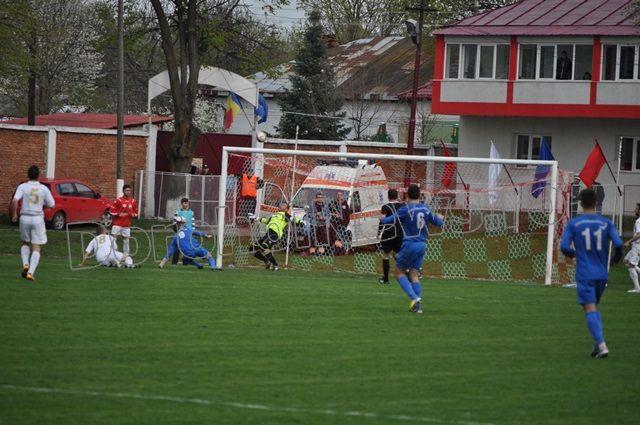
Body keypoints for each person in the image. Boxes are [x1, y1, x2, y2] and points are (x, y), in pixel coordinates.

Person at [560, 188, 623, 358]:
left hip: (585, 273)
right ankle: (597, 344)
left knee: (589, 307)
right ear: (596, 203)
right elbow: (618, 244)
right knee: (593, 307)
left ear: (581, 203)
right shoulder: (606, 223)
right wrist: (615, 260)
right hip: (602, 274)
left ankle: (602, 345)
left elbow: (564, 247)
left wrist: (575, 254)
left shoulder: (575, 224)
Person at [380, 184, 444, 314]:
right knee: (414, 274)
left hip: (410, 244)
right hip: (422, 245)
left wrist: (382, 219)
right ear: (420, 195)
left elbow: (389, 220)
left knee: (398, 272)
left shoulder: (406, 209)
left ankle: (414, 297)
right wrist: (440, 218)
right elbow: (438, 223)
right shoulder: (425, 208)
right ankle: (417, 307)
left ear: (407, 195)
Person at [10, 165, 55, 281]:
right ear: (38, 176)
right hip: (37, 218)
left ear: (28, 175)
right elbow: (52, 204)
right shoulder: (43, 188)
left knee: (25, 242)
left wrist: (14, 214)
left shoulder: (23, 186)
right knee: (36, 246)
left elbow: (14, 200)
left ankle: (25, 264)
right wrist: (42, 206)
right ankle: (30, 272)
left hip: (24, 217)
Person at [249, 201, 301, 271]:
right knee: (252, 248)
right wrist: (256, 218)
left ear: (286, 209)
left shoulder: (285, 215)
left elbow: (293, 219)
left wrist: (300, 221)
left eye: (284, 205)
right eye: (281, 204)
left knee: (264, 246)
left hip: (275, 234)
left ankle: (275, 265)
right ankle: (267, 261)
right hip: (268, 233)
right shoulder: (274, 215)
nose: (281, 205)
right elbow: (267, 221)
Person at [378, 189, 406, 284]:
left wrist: (379, 232)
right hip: (399, 233)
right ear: (397, 196)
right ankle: (407, 271)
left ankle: (386, 279)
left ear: (388, 196)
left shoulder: (385, 207)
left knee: (386, 255)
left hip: (388, 234)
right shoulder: (402, 206)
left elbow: (382, 221)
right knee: (396, 254)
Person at [110, 184, 138, 257]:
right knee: (113, 239)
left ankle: (126, 256)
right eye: (126, 190)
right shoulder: (118, 200)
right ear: (123, 191)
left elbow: (136, 212)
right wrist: (119, 214)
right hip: (117, 224)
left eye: (129, 190)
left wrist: (133, 215)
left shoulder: (133, 201)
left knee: (126, 241)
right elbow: (111, 211)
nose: (128, 192)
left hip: (126, 225)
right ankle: (113, 254)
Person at [172, 197, 195, 265]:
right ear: (182, 204)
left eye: (187, 203)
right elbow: (174, 222)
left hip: (188, 232)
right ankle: (174, 262)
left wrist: (192, 231)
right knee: (178, 247)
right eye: (185, 203)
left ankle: (185, 261)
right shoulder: (178, 212)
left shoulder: (191, 212)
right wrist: (177, 229)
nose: (186, 204)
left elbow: (193, 222)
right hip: (181, 232)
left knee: (188, 248)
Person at [623, 203, 640, 293]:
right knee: (626, 260)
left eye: (636, 209)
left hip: (637, 246)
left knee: (631, 266)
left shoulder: (639, 221)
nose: (635, 210)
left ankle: (637, 289)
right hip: (636, 246)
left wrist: (629, 241)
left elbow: (639, 235)